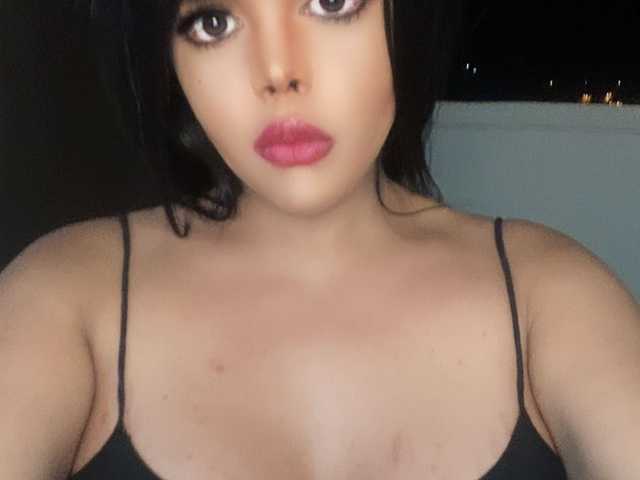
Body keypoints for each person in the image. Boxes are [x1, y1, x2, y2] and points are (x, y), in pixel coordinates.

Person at [1, 0, 639, 478]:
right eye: (213, 23)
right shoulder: (62, 299)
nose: (279, 72)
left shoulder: (554, 297)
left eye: (331, 2)